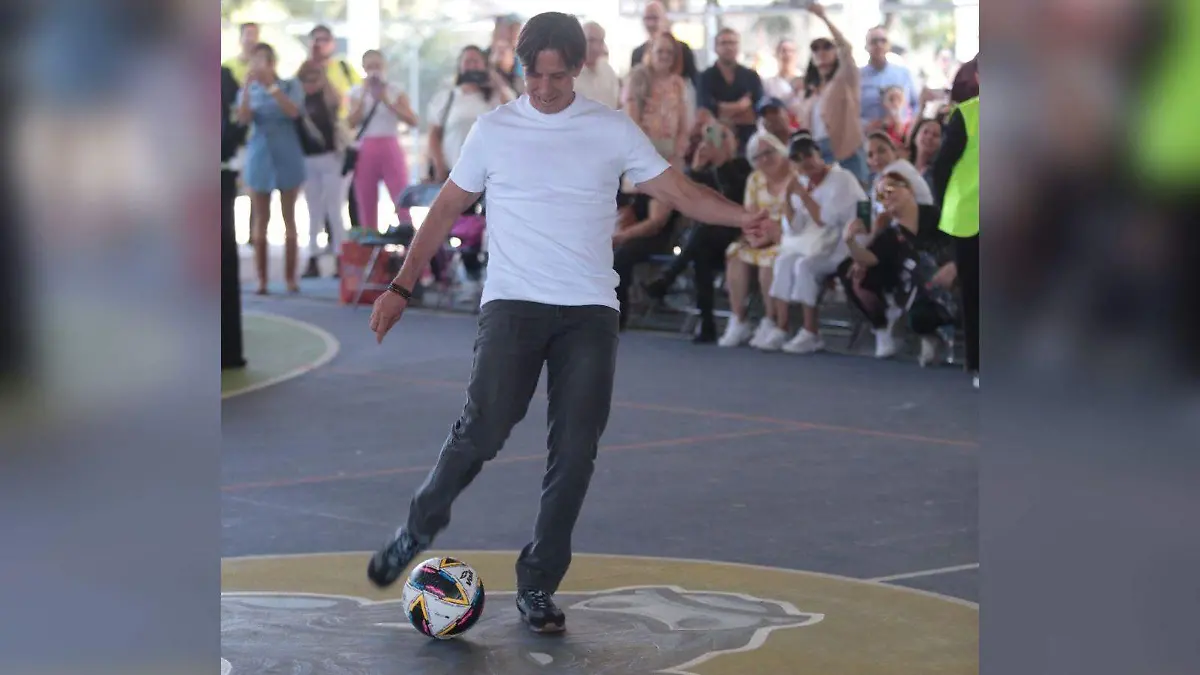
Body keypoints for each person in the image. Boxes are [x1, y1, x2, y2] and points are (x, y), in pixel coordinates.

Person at [365, 12, 769, 634]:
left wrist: (745, 218)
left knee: (575, 452)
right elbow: (444, 210)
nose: (545, 88)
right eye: (534, 75)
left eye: (558, 76)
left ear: (579, 69)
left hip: (589, 312)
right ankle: (418, 527)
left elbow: (682, 193)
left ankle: (538, 582)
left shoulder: (611, 128)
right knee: (483, 430)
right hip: (513, 304)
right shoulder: (494, 129)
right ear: (520, 68)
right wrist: (400, 286)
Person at [235, 42, 305, 294]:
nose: (257, 65)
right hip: (260, 155)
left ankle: (290, 278)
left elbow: (293, 111)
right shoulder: (248, 90)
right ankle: (262, 279)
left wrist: (271, 87)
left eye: (262, 60)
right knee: (260, 220)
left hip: (287, 153)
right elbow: (243, 118)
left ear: (272, 63)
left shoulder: (290, 86)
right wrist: (246, 89)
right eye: (254, 61)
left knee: (289, 219)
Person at [931, 63, 980, 388]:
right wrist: (947, 207)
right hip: (971, 217)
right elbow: (942, 167)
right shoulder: (966, 113)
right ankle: (978, 363)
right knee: (975, 292)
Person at [346, 49, 419, 234]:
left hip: (390, 146)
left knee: (401, 197)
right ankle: (370, 245)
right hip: (366, 149)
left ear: (384, 67)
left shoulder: (395, 90)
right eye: (370, 67)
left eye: (377, 66)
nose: (374, 71)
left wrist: (387, 101)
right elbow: (351, 122)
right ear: (363, 68)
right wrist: (364, 94)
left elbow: (413, 120)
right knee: (366, 203)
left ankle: (408, 238)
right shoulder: (356, 92)